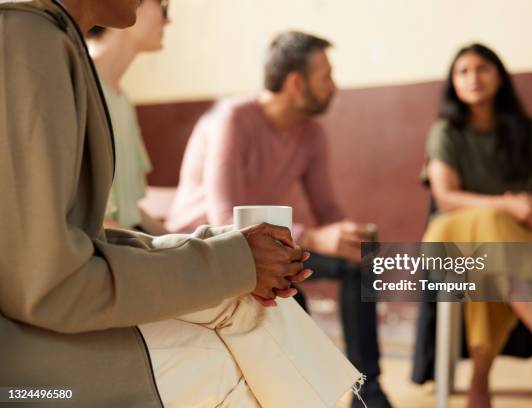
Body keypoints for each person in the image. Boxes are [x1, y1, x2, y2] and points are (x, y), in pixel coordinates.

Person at [0, 1, 361, 407]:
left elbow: (93, 231)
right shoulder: (27, 39)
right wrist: (224, 256)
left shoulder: (56, 46)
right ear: (297, 83)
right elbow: (52, 278)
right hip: (25, 354)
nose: (169, 14)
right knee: (233, 354)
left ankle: (363, 393)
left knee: (262, 308)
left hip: (139, 257)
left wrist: (232, 255)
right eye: (164, 6)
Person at [166, 31, 391, 408]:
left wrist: (349, 235)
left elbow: (328, 211)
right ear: (296, 82)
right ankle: (296, 395)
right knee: (290, 288)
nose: (334, 86)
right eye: (326, 76)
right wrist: (316, 238)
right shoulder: (233, 119)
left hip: (264, 244)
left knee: (359, 261)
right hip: (205, 244)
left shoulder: (311, 134)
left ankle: (370, 393)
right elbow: (226, 220)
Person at [419, 43, 532, 407]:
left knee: (491, 260)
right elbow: (446, 197)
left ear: (499, 77)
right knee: (493, 231)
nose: (473, 78)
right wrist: (506, 204)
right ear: (453, 83)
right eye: (462, 71)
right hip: (452, 235)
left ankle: (480, 380)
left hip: (514, 240)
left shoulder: (527, 131)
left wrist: (529, 206)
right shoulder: (445, 131)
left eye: (481, 68)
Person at [86, 0, 169, 235]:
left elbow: (129, 212)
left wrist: (198, 249)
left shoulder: (122, 100)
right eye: (162, 7)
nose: (167, 21)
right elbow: (92, 222)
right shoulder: (78, 86)